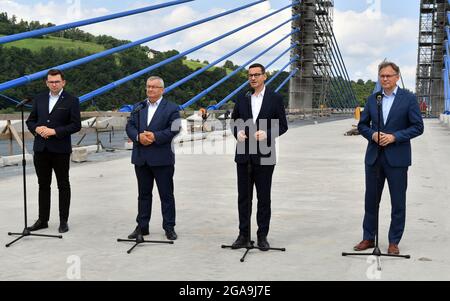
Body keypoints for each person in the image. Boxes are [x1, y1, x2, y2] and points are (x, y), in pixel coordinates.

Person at [354, 61, 424, 255]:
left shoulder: (408, 99)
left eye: (389, 76)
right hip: (374, 158)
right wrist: (373, 135)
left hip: (397, 159)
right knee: (371, 201)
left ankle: (394, 241)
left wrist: (395, 137)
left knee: (398, 202)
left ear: (397, 77)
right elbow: (362, 125)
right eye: (382, 76)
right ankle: (368, 237)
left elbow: (418, 127)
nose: (385, 79)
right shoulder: (372, 99)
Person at [230, 63, 288, 251]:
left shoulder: (275, 98)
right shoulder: (242, 97)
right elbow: (234, 122)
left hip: (265, 155)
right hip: (244, 155)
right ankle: (243, 235)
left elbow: (283, 125)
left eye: (256, 75)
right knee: (243, 198)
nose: (253, 78)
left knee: (264, 198)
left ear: (265, 76)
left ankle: (262, 236)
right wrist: (237, 132)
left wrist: (268, 134)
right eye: (250, 75)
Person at [26, 69, 81, 233]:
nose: (54, 84)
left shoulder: (72, 100)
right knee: (43, 185)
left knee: (63, 184)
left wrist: (55, 131)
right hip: (41, 148)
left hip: (60, 149)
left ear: (63, 82)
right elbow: (31, 121)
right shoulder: (40, 99)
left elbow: (75, 125)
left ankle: (63, 221)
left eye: (57, 81)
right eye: (51, 82)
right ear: (46, 83)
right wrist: (38, 129)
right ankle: (43, 220)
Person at [126, 76, 180, 241]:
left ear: (162, 90)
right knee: (143, 195)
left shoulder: (171, 108)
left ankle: (169, 227)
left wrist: (155, 136)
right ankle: (142, 226)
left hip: (162, 158)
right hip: (141, 157)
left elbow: (175, 128)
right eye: (148, 87)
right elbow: (130, 126)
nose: (150, 90)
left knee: (166, 195)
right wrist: (138, 137)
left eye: (154, 87)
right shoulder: (138, 106)